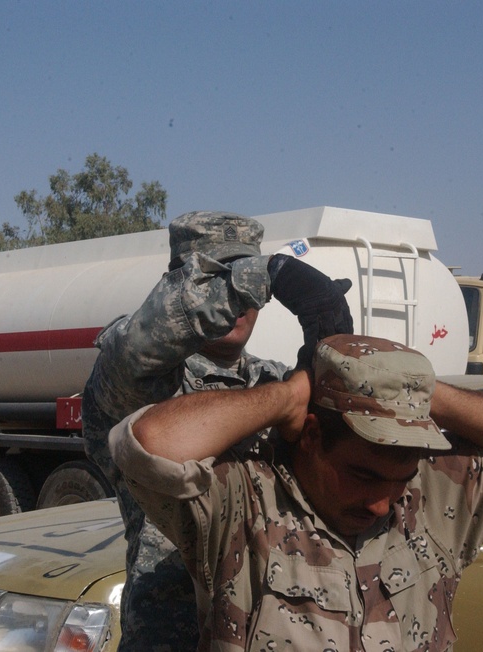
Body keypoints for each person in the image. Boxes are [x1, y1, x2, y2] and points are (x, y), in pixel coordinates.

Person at [110, 334, 483, 651]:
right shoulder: (244, 503)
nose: (382, 504)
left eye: (399, 480)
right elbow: (148, 444)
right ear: (311, 435)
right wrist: (287, 396)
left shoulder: (434, 499)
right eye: (363, 476)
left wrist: (414, 394)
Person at [82, 211, 353, 650]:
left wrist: (329, 354)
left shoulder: (276, 382)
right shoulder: (141, 385)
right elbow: (137, 347)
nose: (241, 295)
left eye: (254, 283)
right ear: (178, 286)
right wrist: (262, 273)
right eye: (222, 279)